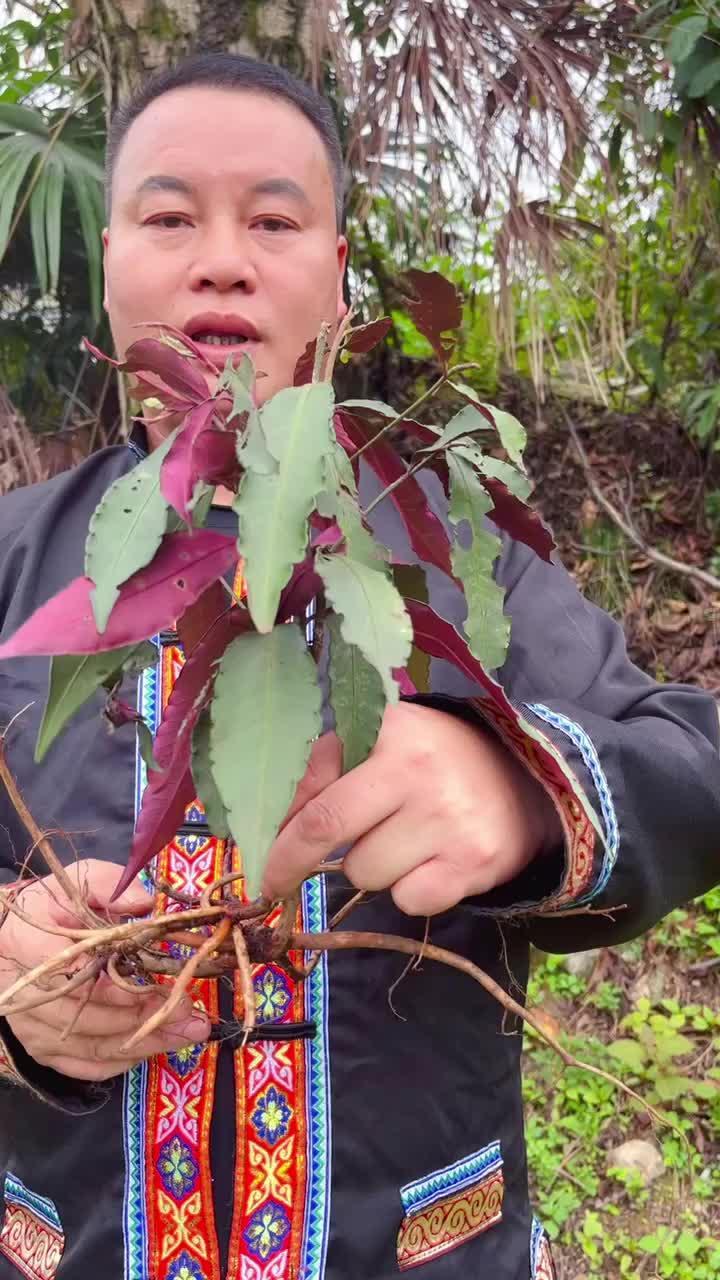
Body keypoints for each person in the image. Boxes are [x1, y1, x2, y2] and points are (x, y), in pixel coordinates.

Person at [0, 52, 718, 1280]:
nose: (221, 256)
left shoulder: (448, 553)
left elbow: (694, 755)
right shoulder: (22, 564)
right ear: (106, 264)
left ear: (336, 280)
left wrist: (520, 788)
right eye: (168, 216)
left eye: (275, 219)